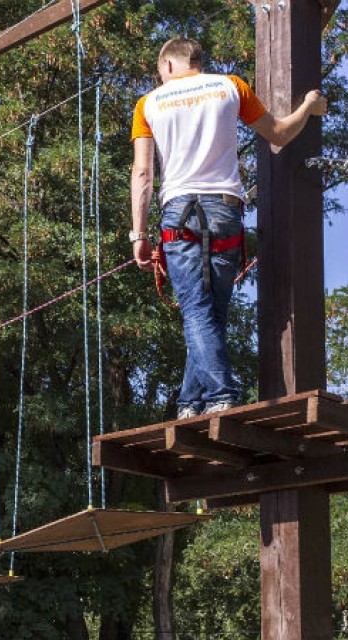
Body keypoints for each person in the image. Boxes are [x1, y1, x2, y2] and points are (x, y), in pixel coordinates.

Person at [129, 37, 327, 419]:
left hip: (180, 215)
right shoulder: (229, 86)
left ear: (168, 65)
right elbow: (281, 134)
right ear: (198, 61)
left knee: (196, 310)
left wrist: (139, 233)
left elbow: (142, 172)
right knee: (209, 312)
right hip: (224, 212)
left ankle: (221, 395)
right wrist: (308, 106)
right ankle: (190, 403)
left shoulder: (148, 103)